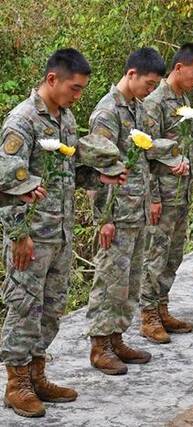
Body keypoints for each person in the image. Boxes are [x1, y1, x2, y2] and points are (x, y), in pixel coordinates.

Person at [0, 49, 125, 417]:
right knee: (24, 308)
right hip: (32, 238)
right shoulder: (22, 122)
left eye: (82, 90)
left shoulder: (66, 118)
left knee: (51, 309)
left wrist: (97, 177)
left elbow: (67, 174)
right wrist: (19, 233)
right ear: (52, 79)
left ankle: (37, 374)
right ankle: (16, 382)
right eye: (74, 88)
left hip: (60, 234)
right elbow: (6, 184)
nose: (78, 96)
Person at [85, 48, 166, 374]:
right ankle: (99, 346)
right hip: (115, 216)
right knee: (109, 281)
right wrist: (103, 219)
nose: (151, 89)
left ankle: (117, 337)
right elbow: (98, 168)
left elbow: (143, 158)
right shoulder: (106, 113)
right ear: (131, 74)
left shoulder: (138, 109)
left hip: (136, 211)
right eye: (148, 82)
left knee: (130, 282)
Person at [139, 43, 193, 342]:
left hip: (181, 193)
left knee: (172, 256)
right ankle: (147, 315)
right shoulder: (154, 101)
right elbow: (145, 153)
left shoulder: (183, 98)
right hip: (162, 194)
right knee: (155, 256)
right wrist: (154, 198)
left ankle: (161, 307)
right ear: (179, 68)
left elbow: (187, 145)